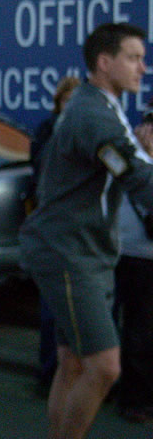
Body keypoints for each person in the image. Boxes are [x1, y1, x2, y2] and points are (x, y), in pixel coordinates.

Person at [19, 22, 152, 439]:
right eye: (133, 57)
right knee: (104, 366)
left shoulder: (101, 106)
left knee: (73, 361)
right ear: (104, 61)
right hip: (68, 252)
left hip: (80, 249)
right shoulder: (94, 114)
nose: (143, 68)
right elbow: (134, 174)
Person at [27, 75, 81, 397]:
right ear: (58, 102)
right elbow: (41, 167)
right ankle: (47, 375)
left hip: (78, 235)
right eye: (66, 101)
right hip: (50, 230)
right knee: (51, 310)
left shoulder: (89, 131)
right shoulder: (49, 130)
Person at [113, 100, 153, 423]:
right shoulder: (134, 153)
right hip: (136, 253)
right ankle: (133, 397)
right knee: (139, 327)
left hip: (137, 251)